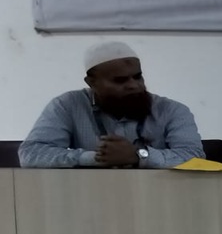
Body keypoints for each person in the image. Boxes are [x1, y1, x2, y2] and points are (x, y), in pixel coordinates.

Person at [18, 42, 204, 168]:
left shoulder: (172, 110)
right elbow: (31, 154)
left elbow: (194, 157)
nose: (133, 85)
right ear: (92, 83)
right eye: (120, 80)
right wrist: (94, 158)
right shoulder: (67, 105)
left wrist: (139, 156)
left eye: (137, 76)